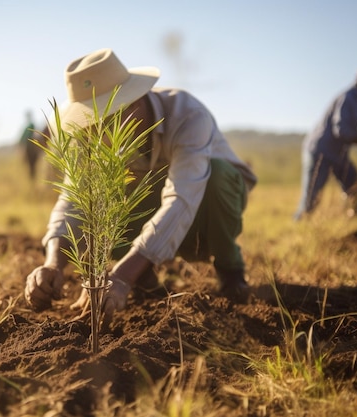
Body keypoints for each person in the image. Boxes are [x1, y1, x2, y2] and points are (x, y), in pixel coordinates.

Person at [24, 48, 258, 320]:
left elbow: (183, 197)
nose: (96, 136)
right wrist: (53, 263)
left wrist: (121, 276)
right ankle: (143, 271)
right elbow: (73, 199)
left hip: (206, 209)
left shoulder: (188, 115)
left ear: (132, 103)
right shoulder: (88, 135)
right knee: (101, 195)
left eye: (103, 122)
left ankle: (230, 270)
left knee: (217, 174)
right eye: (90, 125)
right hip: (150, 209)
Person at [294, 64, 357, 220]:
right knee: (311, 200)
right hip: (320, 151)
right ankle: (299, 230)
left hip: (338, 154)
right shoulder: (348, 98)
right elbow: (343, 132)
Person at [18, 110, 40, 181]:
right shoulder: (29, 125)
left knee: (31, 164)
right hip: (29, 145)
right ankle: (32, 178)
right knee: (31, 165)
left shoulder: (30, 125)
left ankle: (32, 178)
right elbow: (23, 137)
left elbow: (23, 137)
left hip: (29, 145)